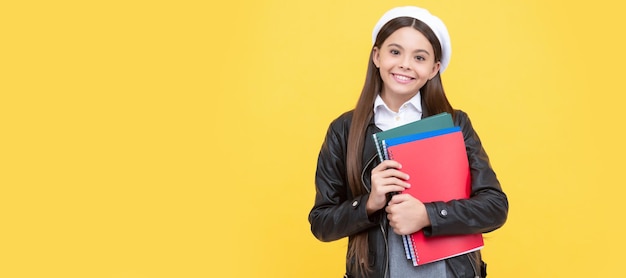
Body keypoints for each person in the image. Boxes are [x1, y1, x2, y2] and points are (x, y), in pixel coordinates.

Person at [308, 6, 509, 278]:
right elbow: (321, 223)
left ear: (434, 68)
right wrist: (368, 203)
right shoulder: (344, 130)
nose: (405, 64)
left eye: (419, 57)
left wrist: (429, 215)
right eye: (395, 51)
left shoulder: (454, 123)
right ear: (376, 56)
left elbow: (495, 208)